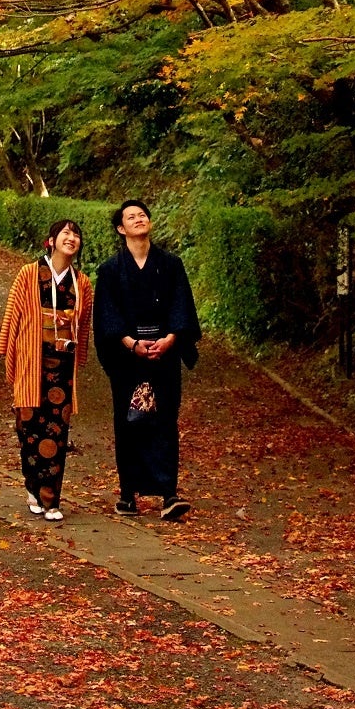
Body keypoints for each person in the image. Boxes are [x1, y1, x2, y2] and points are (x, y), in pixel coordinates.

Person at [93, 199, 201, 521]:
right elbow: (107, 316)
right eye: (131, 217)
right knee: (129, 421)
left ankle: (169, 492)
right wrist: (131, 343)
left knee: (165, 419)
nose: (138, 219)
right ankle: (128, 494)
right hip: (129, 356)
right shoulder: (110, 270)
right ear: (120, 228)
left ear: (150, 223)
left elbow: (181, 305)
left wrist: (170, 339)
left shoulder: (170, 264)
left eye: (142, 215)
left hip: (164, 354)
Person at [0, 218, 93, 523]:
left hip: (61, 367)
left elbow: (84, 324)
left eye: (76, 234)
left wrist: (79, 358)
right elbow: (13, 313)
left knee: (56, 431)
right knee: (28, 428)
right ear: (50, 241)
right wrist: (7, 350)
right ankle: (32, 485)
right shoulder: (29, 273)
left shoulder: (83, 282)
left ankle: (50, 498)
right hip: (31, 359)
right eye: (65, 232)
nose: (71, 237)